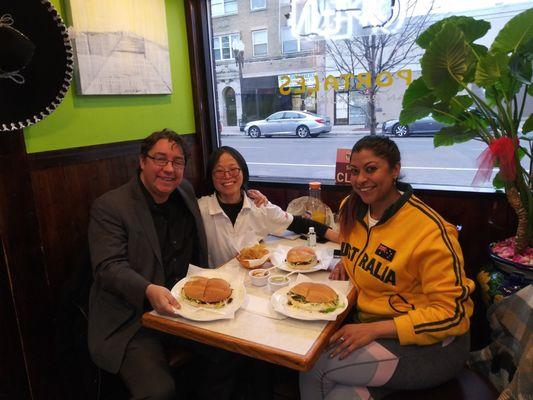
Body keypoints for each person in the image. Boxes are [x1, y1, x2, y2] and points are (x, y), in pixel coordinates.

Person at [300, 135, 475, 399]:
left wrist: (374, 329)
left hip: (434, 345)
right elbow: (357, 247)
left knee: (312, 365)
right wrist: (349, 263)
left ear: (395, 170)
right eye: (355, 171)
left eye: (371, 169)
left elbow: (452, 313)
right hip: (374, 330)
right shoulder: (352, 207)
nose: (360, 180)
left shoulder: (430, 231)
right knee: (341, 395)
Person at [88, 129, 238, 400]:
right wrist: (148, 289)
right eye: (160, 159)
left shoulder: (184, 191)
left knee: (232, 352)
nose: (169, 169)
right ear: (142, 161)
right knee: (158, 391)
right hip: (132, 318)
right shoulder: (111, 206)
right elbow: (107, 267)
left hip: (185, 310)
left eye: (177, 162)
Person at [198, 146, 338, 268]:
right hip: (218, 280)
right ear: (211, 176)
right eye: (219, 171)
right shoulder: (201, 208)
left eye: (233, 170)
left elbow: (298, 223)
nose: (227, 176)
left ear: (243, 172)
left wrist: (339, 238)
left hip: (255, 278)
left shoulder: (259, 206)